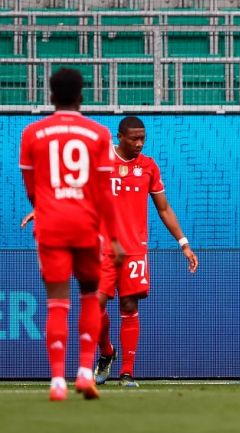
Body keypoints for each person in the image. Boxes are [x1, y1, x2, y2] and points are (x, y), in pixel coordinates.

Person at [19, 67, 125, 401]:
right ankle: (83, 373)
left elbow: (32, 190)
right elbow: (104, 193)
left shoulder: (32, 134)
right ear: (82, 96)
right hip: (86, 225)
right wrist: (115, 238)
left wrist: (48, 205)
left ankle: (56, 382)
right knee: (91, 295)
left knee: (56, 302)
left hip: (50, 225)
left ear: (50, 95)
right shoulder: (98, 134)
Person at [92, 116, 199, 387]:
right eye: (134, 138)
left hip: (134, 250)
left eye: (143, 139)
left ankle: (127, 372)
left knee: (130, 306)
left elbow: (163, 208)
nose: (139, 143)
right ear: (120, 136)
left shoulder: (148, 166)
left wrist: (183, 243)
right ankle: (106, 352)